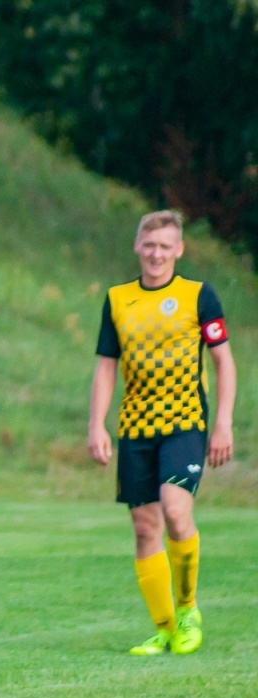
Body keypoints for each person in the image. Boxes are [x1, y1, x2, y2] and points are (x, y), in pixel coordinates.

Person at [87, 209, 237, 655]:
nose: (156, 254)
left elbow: (223, 361)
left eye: (165, 246)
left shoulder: (198, 296)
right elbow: (105, 367)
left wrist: (223, 421)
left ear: (179, 250)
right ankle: (165, 628)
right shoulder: (117, 299)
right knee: (143, 525)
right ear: (138, 246)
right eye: (149, 245)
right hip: (136, 426)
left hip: (185, 421)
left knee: (175, 511)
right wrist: (97, 423)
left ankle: (189, 607)